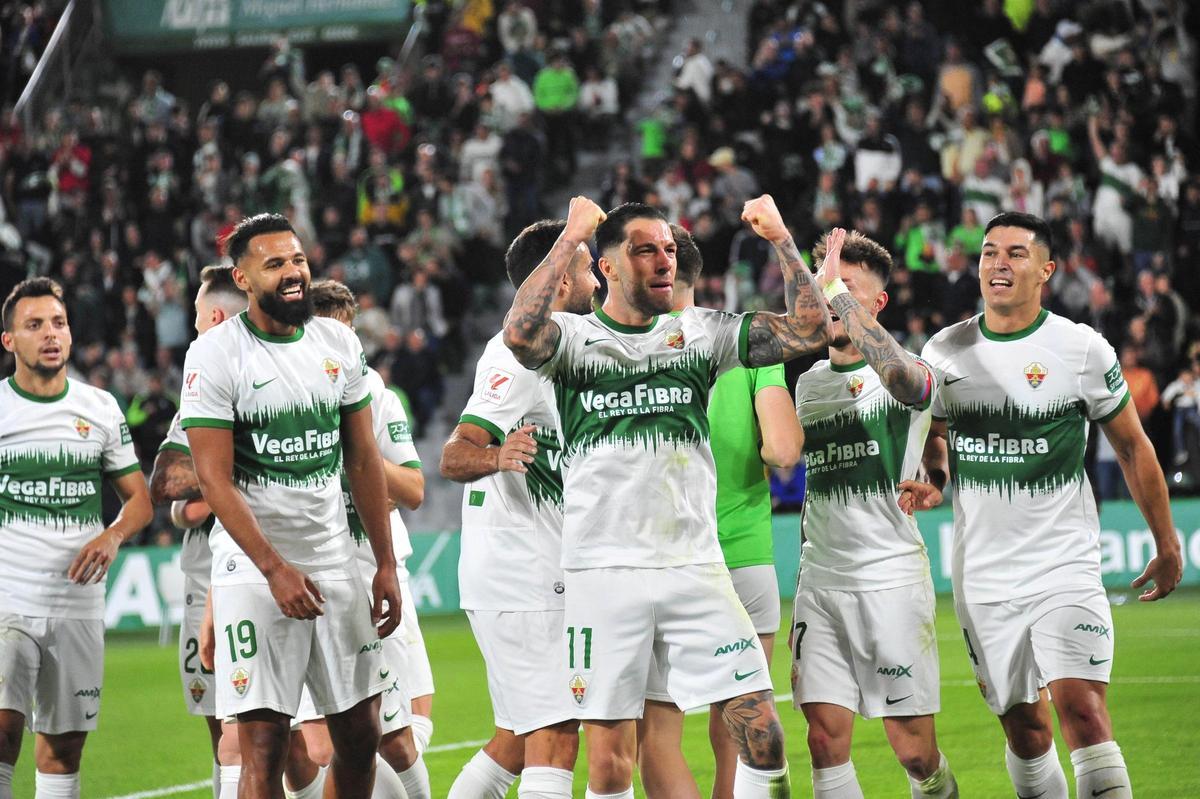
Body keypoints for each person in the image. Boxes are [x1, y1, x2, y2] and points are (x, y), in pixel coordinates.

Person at [502, 195, 831, 799]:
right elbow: (520, 335)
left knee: (764, 735)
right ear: (607, 267)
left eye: (670, 250)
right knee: (607, 767)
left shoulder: (701, 334)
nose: (664, 261)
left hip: (695, 568)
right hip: (603, 572)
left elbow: (810, 328)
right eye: (645, 249)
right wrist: (572, 232)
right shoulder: (573, 340)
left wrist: (783, 238)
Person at [904, 211, 1182, 799]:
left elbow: (1133, 447)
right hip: (982, 574)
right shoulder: (944, 351)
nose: (998, 263)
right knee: (1027, 733)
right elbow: (935, 433)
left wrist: (1168, 542)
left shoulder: (1080, 349)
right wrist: (936, 472)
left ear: (1046, 271)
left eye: (1015, 253)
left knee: (1081, 708)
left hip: (1064, 563)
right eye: (987, 253)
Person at [179, 213, 402, 799]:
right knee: (265, 747)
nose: (293, 273)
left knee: (360, 736)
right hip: (253, 572)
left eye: (297, 260)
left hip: (335, 565)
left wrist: (384, 563)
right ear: (244, 278)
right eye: (274, 264)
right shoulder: (216, 355)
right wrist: (273, 570)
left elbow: (362, 461)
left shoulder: (338, 342)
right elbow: (213, 478)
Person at [638, 226, 803, 799]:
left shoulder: (628, 347)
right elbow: (784, 452)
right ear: (701, 278)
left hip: (661, 560)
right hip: (745, 556)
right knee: (741, 719)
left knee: (656, 733)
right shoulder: (745, 344)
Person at [793, 229, 959, 798]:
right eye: (824, 288)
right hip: (820, 579)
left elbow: (918, 403)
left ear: (878, 303)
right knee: (824, 741)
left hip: (890, 577)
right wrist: (936, 474)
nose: (831, 301)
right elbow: (934, 447)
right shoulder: (807, 384)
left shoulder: (909, 371)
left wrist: (936, 477)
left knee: (915, 754)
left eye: (847, 291)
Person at [441, 219, 599, 799]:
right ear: (557, 282)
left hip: (530, 573)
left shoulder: (561, 347)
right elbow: (455, 454)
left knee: (515, 737)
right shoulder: (517, 357)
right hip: (523, 576)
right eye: (584, 269)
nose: (596, 280)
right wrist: (497, 456)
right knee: (556, 735)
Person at [277, 279, 430, 799]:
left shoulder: (377, 399)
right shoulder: (279, 399)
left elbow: (413, 488)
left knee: (399, 742)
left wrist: (359, 459)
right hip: (308, 585)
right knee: (311, 746)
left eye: (348, 338)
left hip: (372, 576)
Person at [0, 277, 152, 799]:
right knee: (2, 730)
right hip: (8, 599)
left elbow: (140, 501)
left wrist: (112, 537)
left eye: (58, 323)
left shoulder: (101, 408)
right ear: (9, 341)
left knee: (63, 749)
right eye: (34, 325)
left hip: (76, 603)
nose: (50, 334)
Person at [149, 264, 248, 798]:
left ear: (212, 316)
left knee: (290, 731)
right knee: (220, 726)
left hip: (268, 576)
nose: (191, 329)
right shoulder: (197, 389)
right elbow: (167, 488)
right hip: (203, 573)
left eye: (193, 318)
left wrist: (209, 491)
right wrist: (243, 477)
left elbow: (189, 495)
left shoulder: (274, 376)